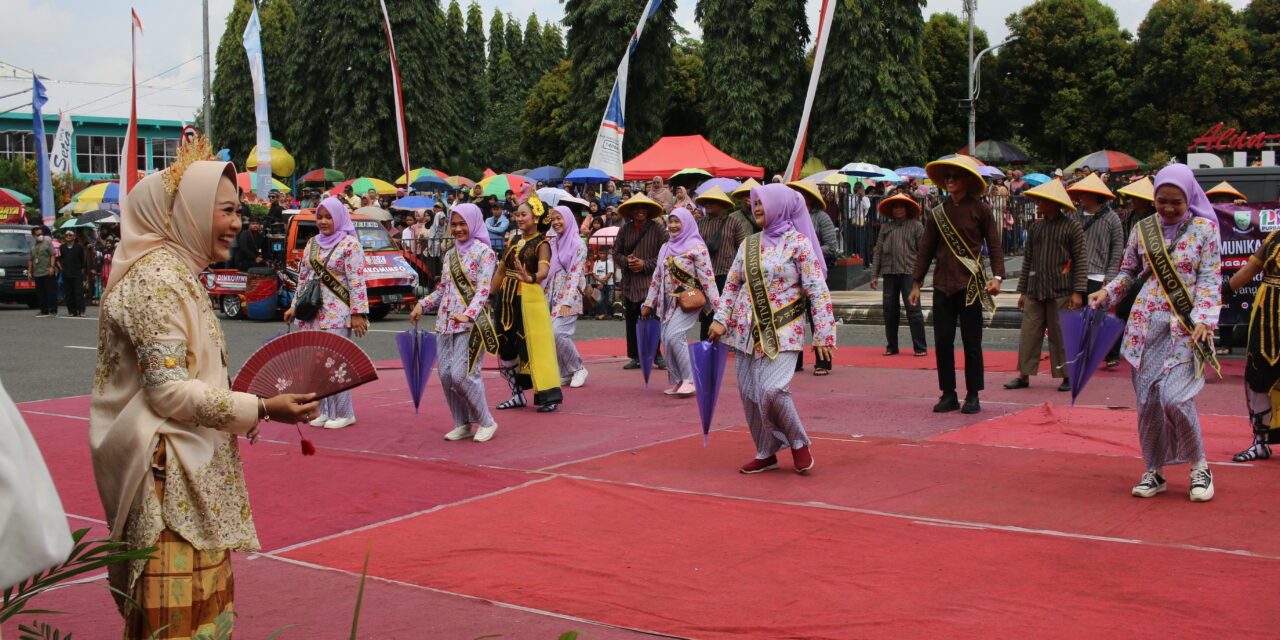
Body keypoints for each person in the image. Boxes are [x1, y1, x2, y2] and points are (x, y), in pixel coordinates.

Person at [90, 151, 317, 638]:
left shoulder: (177, 273)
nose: (237, 223)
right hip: (169, 486)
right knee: (175, 623)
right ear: (186, 211)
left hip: (189, 475)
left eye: (239, 211)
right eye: (226, 210)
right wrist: (260, 408)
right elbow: (169, 392)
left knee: (202, 620)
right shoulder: (158, 280)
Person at [1087, 164, 1221, 502]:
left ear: (1189, 197)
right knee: (1147, 401)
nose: (1169, 208)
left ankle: (1199, 466)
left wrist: (1205, 318)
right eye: (1162, 201)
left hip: (1186, 328)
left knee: (1175, 398)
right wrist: (1108, 292)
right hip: (1143, 327)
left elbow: (1209, 279)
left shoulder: (1205, 229)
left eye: (1176, 201)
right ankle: (1154, 470)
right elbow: (1128, 272)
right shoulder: (1143, 229)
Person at [708, 184, 835, 474]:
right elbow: (732, 284)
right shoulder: (749, 244)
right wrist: (720, 317)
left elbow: (817, 290)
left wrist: (824, 334)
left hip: (783, 329)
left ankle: (798, 443)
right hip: (743, 330)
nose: (757, 208)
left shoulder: (799, 244)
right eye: (755, 204)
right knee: (751, 394)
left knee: (772, 389)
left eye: (763, 203)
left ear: (781, 205)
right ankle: (766, 450)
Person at [911, 154, 1005, 415]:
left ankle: (973, 394)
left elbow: (995, 245)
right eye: (946, 178)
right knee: (942, 341)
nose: (949, 181)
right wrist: (917, 282)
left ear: (967, 180)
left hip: (971, 286)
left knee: (971, 342)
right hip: (942, 284)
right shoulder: (937, 213)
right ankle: (948, 393)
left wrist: (997, 277)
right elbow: (925, 249)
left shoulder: (981, 210)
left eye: (954, 177)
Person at [410, 203, 501, 442]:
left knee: (464, 375)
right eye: (455, 224)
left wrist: (469, 315)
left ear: (474, 223)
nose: (459, 228)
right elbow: (443, 289)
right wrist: (423, 303)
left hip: (472, 324)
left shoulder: (485, 253)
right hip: (446, 322)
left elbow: (483, 290)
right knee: (447, 376)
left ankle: (486, 421)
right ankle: (461, 423)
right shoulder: (450, 253)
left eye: (463, 223)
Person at [283, 197, 370, 430]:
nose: (323, 221)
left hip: (338, 312)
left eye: (328, 217)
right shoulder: (312, 243)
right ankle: (326, 410)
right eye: (319, 217)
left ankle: (344, 412)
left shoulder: (349, 245)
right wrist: (294, 306)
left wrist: (357, 313)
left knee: (335, 364)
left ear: (339, 217)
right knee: (318, 364)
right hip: (313, 312)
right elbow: (303, 278)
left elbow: (356, 281)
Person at [1003, 179, 1087, 391]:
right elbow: (1028, 260)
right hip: (1035, 288)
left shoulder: (1072, 228)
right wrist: (1022, 291)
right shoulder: (1035, 228)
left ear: (1054, 202)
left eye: (1042, 200)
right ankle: (1023, 375)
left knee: (1060, 334)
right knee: (1029, 333)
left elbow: (1080, 261)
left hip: (1062, 289)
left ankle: (1067, 374)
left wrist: (1078, 292)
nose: (1038, 203)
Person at [490, 188, 563, 412]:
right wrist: (490, 296)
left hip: (528, 301)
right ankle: (516, 394)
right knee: (506, 346)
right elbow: (501, 270)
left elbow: (543, 271)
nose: (519, 218)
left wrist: (529, 277)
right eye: (517, 215)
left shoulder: (542, 244)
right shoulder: (512, 240)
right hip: (506, 300)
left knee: (533, 347)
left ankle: (548, 396)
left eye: (524, 214)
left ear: (536, 218)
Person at [642, 207, 720, 396]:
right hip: (667, 302)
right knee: (667, 339)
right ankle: (677, 380)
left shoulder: (697, 248)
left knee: (675, 335)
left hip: (689, 301)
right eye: (671, 221)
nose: (673, 225)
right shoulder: (665, 248)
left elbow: (708, 279)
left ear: (687, 224)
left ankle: (690, 379)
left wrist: (720, 310)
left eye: (678, 221)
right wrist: (648, 303)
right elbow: (656, 277)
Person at [1227, 224, 1280, 461]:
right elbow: (1248, 271)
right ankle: (1260, 443)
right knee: (1259, 378)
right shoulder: (1274, 237)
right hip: (1266, 318)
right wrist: (1217, 294)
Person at [786, 178, 839, 374]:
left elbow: (830, 246)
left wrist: (807, 255)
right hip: (792, 276)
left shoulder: (821, 218)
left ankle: (822, 362)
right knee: (793, 317)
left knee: (818, 316)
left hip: (814, 272)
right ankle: (794, 361)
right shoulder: (787, 219)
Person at [615, 194, 670, 370]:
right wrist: (627, 262)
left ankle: (656, 354)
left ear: (648, 210)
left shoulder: (659, 229)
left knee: (651, 317)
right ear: (631, 211)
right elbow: (616, 253)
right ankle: (635, 356)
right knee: (632, 319)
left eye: (643, 208)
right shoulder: (624, 230)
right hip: (630, 281)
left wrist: (645, 264)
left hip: (651, 281)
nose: (640, 211)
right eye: (636, 208)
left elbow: (667, 253)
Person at [870, 194, 927, 357]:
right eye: (895, 207)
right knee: (889, 310)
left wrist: (920, 276)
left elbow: (923, 252)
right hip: (889, 272)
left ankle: (920, 347)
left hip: (909, 272)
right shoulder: (885, 228)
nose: (898, 210)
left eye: (901, 207)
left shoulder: (916, 226)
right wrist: (874, 274)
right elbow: (878, 252)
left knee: (913, 310)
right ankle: (892, 346)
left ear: (907, 209)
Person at [546, 205, 590, 388]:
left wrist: (566, 301)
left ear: (569, 219)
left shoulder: (578, 244)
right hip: (551, 296)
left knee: (558, 332)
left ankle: (578, 368)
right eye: (553, 219)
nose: (556, 222)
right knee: (551, 334)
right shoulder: (552, 243)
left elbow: (574, 274)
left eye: (560, 218)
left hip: (569, 297)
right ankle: (565, 371)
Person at [695, 186, 747, 340]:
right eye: (707, 202)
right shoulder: (699, 223)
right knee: (706, 311)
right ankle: (705, 342)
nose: (709, 204)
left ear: (723, 204)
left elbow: (743, 246)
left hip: (727, 272)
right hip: (704, 274)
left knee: (727, 309)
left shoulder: (734, 223)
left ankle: (731, 342)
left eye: (713, 201)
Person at [57, 230, 87, 317]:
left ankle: (81, 310)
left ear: (74, 237)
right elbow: (60, 258)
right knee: (68, 293)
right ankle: (72, 311)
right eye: (66, 235)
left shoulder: (79, 247)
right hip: (66, 273)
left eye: (70, 235)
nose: (68, 236)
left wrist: (82, 269)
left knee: (78, 292)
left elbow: (82, 259)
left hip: (77, 272)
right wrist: (61, 267)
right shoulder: (62, 247)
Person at [29, 226, 56, 318]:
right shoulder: (33, 246)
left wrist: (52, 266)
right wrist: (29, 271)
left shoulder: (47, 243)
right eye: (38, 234)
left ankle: (53, 310)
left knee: (50, 291)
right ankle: (43, 310)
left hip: (47, 270)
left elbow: (52, 255)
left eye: (41, 234)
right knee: (40, 292)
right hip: (37, 272)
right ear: (33, 236)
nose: (40, 236)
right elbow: (31, 259)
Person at [592, 246, 618, 320]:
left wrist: (602, 281)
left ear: (607, 253)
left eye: (604, 253)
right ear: (598, 253)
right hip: (599, 283)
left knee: (610, 300)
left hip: (609, 284)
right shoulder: (596, 262)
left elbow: (610, 274)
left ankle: (610, 314)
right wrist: (600, 280)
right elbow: (594, 274)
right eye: (601, 253)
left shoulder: (609, 262)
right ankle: (603, 313)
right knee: (599, 299)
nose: (602, 255)